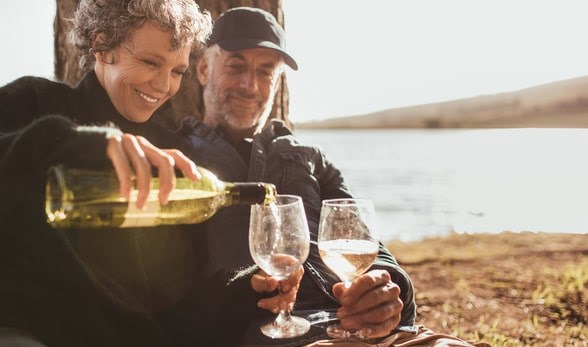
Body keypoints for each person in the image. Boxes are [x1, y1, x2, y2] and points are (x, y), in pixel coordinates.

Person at [0, 1, 216, 346]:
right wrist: (65, 146)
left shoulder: (171, 154)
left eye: (178, 71)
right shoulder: (35, 104)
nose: (165, 85)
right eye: (151, 62)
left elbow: (178, 295)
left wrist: (249, 291)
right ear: (102, 45)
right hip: (1, 323)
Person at [177, 7, 485, 347]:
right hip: (278, 337)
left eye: (266, 72)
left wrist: (387, 290)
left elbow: (367, 244)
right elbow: (171, 293)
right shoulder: (177, 158)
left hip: (373, 332)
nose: (251, 85)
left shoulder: (310, 157)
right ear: (204, 69)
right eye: (236, 66)